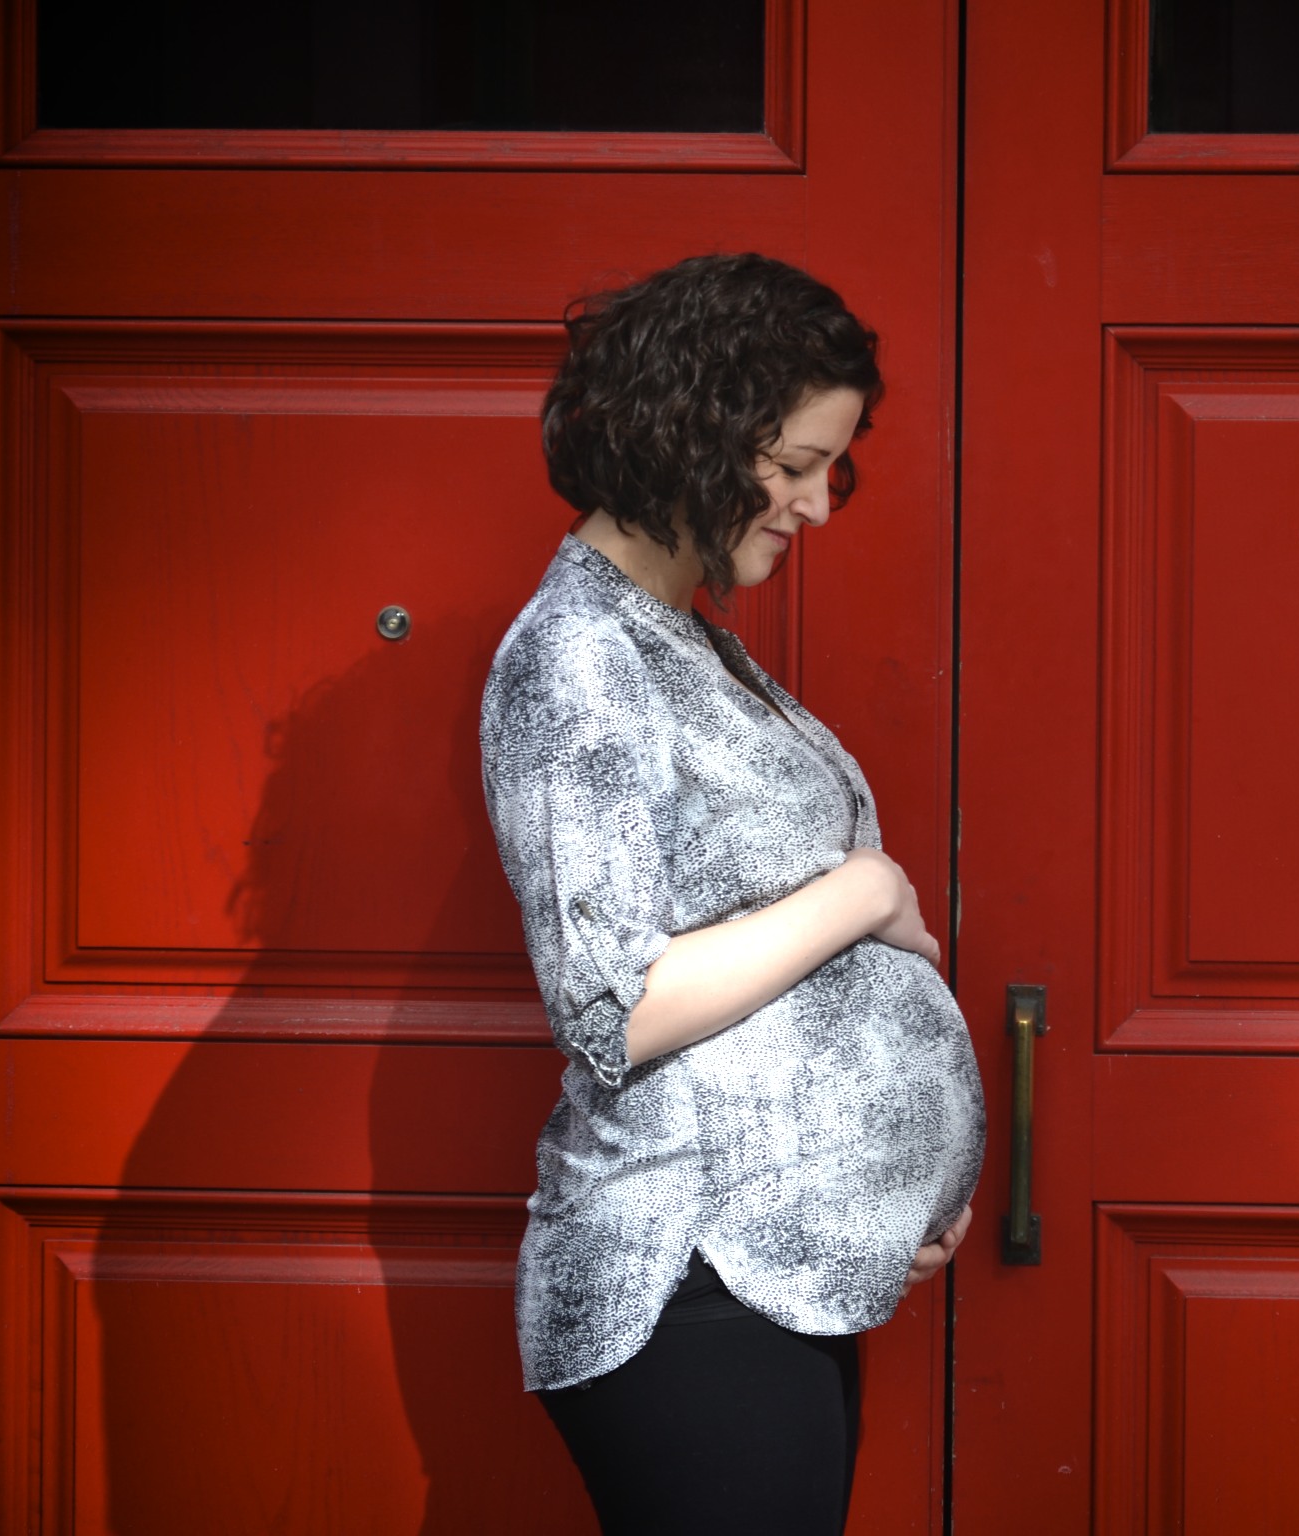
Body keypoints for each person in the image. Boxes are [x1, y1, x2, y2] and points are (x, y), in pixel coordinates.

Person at [479, 252, 986, 1535]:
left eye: (831, 469)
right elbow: (618, 1008)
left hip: (761, 1280)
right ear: (692, 433)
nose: (818, 505)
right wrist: (863, 892)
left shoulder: (676, 639)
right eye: (797, 463)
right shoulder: (577, 658)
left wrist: (882, 1196)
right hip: (684, 1284)